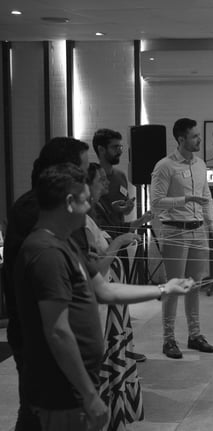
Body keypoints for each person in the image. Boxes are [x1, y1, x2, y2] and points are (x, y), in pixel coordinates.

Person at [14, 163, 194, 431]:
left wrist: (164, 289)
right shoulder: (46, 254)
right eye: (86, 200)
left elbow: (104, 290)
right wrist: (88, 395)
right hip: (59, 393)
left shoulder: (65, 242)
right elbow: (58, 332)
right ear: (69, 203)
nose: (90, 208)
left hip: (75, 389)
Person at [2, 137, 90, 431]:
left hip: (49, 339)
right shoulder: (41, 227)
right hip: (41, 342)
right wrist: (91, 397)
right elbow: (55, 323)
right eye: (83, 172)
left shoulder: (51, 223)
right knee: (38, 414)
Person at [150, 118, 213, 359]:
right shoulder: (164, 166)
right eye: (194, 136)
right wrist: (185, 200)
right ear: (181, 139)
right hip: (175, 230)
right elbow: (156, 202)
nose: (199, 140)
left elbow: (206, 196)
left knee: (194, 285)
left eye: (198, 135)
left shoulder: (200, 164)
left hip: (198, 230)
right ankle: (168, 339)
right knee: (174, 286)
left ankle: (195, 335)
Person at [84, 163, 147, 431]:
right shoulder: (83, 222)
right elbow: (97, 268)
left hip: (111, 305)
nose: (106, 185)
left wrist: (133, 225)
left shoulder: (90, 216)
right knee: (104, 365)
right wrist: (119, 242)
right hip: (102, 306)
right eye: (100, 181)